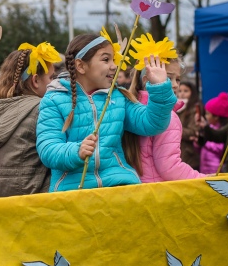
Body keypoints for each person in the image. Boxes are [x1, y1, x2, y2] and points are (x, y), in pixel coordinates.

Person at [36, 33, 176, 191]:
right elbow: (47, 148)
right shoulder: (54, 99)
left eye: (114, 60)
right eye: (105, 59)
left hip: (119, 185)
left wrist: (160, 88)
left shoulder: (118, 96)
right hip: (74, 191)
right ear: (80, 66)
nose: (114, 66)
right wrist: (77, 151)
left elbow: (152, 124)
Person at [0, 43, 60, 198]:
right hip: (33, 200)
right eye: (51, 78)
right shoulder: (41, 108)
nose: (54, 83)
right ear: (35, 80)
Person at [127, 55, 203, 183]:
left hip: (133, 188)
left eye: (177, 79)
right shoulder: (167, 116)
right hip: (156, 191)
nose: (174, 85)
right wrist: (202, 179)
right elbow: (169, 167)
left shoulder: (130, 107)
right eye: (167, 78)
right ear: (147, 80)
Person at [199, 92, 228, 175]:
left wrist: (205, 143)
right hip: (204, 168)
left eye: (208, 114)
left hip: (216, 168)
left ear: (216, 116)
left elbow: (219, 148)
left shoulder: (222, 130)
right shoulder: (209, 127)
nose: (205, 116)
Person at [175, 81, 201, 171]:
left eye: (186, 91)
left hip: (189, 154)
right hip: (176, 152)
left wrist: (174, 130)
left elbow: (193, 132)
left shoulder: (195, 109)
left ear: (192, 93)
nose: (182, 93)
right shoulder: (174, 107)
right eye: (180, 90)